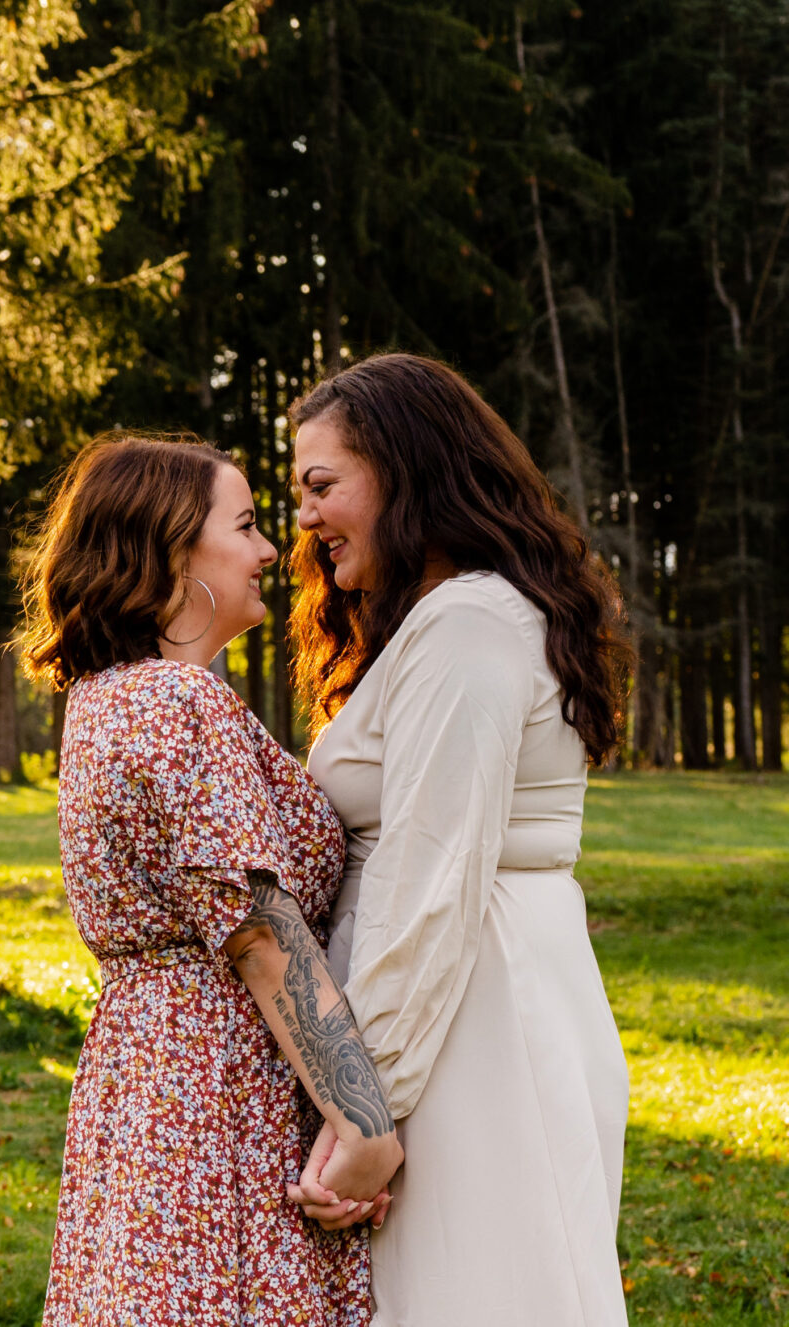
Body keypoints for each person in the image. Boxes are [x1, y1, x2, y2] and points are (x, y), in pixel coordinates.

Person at [289, 353, 633, 1325]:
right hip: (478, 1001)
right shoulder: (459, 618)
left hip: (470, 1021)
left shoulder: (466, 623)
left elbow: (429, 882)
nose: (304, 518)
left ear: (401, 470)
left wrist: (364, 1109)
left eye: (322, 485)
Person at [25, 434, 398, 1326]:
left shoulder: (104, 696)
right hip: (214, 1084)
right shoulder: (178, 701)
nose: (272, 549)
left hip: (146, 1073)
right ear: (170, 553)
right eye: (246, 525)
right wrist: (365, 1126)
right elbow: (260, 933)